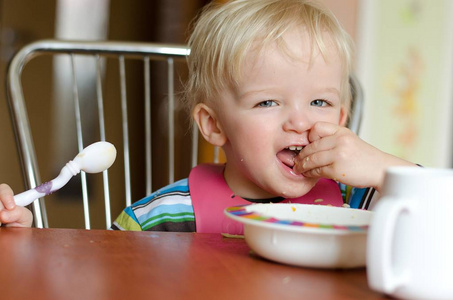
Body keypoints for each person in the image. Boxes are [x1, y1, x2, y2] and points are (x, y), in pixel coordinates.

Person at [0, 0, 415, 231]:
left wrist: (388, 171)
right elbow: (97, 278)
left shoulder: (362, 202)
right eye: (268, 102)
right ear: (214, 125)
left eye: (320, 103)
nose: (301, 122)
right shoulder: (165, 216)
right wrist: (23, 240)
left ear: (342, 117)